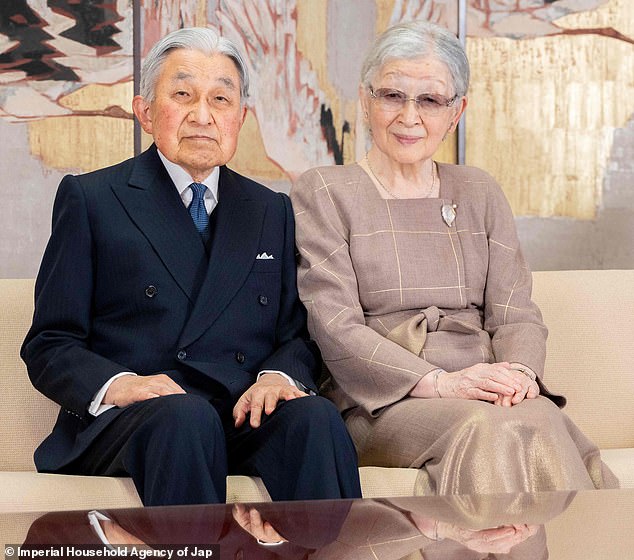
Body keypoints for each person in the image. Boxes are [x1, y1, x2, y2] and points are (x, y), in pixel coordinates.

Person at [21, 27, 361, 506]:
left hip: (236, 418)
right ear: (145, 111)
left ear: (240, 118)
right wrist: (121, 386)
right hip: (134, 423)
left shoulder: (271, 210)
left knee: (317, 419)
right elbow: (50, 345)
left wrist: (277, 377)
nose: (203, 116)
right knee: (187, 417)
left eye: (221, 100)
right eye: (183, 95)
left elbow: (295, 337)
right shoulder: (93, 199)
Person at [290, 20, 618, 494]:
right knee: (483, 426)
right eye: (392, 95)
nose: (409, 116)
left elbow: (517, 313)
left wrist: (520, 375)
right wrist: (442, 384)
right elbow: (335, 327)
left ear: (457, 111)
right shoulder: (324, 190)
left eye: (430, 100)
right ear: (365, 100)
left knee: (538, 414)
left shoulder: (479, 190)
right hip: (382, 401)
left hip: (485, 387)